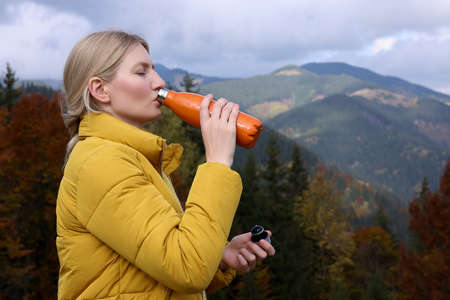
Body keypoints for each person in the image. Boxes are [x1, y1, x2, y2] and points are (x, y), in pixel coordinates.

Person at [56, 30, 275, 300]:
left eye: (155, 70)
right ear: (101, 90)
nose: (158, 82)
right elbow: (187, 267)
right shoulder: (102, 162)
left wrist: (219, 255)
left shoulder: (131, 157)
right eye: (141, 72)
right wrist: (217, 163)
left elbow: (157, 264)